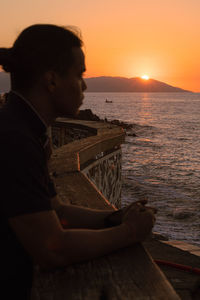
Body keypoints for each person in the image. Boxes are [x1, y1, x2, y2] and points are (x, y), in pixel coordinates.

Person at [0, 24, 156, 299]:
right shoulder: (14, 140)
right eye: (80, 75)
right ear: (51, 81)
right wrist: (129, 232)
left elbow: (57, 211)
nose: (84, 86)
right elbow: (52, 248)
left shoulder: (23, 129)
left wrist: (114, 218)